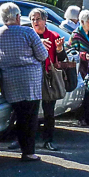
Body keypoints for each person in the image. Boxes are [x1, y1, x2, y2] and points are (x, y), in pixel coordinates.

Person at [0, 2, 49, 162]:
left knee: (19, 116)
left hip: (10, 80)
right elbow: (43, 56)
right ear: (18, 17)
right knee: (31, 117)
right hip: (30, 81)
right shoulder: (28, 32)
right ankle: (28, 152)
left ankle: (21, 146)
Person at [29, 8, 64, 151]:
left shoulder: (54, 36)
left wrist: (60, 49)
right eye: (32, 19)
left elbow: (61, 59)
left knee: (49, 111)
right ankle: (23, 140)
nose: (35, 22)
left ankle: (48, 140)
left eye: (38, 19)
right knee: (29, 111)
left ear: (44, 20)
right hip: (31, 78)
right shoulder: (28, 36)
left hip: (48, 77)